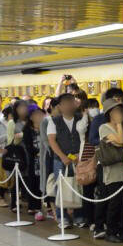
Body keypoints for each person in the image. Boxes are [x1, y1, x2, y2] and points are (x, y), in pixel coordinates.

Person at [97, 98, 123, 242]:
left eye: (121, 110)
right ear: (109, 113)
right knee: (114, 203)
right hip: (112, 171)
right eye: (116, 111)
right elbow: (122, 141)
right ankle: (111, 231)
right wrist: (118, 125)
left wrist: (121, 142)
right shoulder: (104, 127)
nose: (120, 113)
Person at [46, 93, 80, 224]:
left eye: (71, 102)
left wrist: (79, 155)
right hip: (60, 160)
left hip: (78, 159)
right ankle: (62, 217)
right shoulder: (53, 121)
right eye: (66, 103)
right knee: (60, 188)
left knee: (78, 186)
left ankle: (79, 215)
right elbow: (52, 141)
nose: (69, 106)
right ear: (60, 106)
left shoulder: (81, 118)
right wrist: (63, 156)